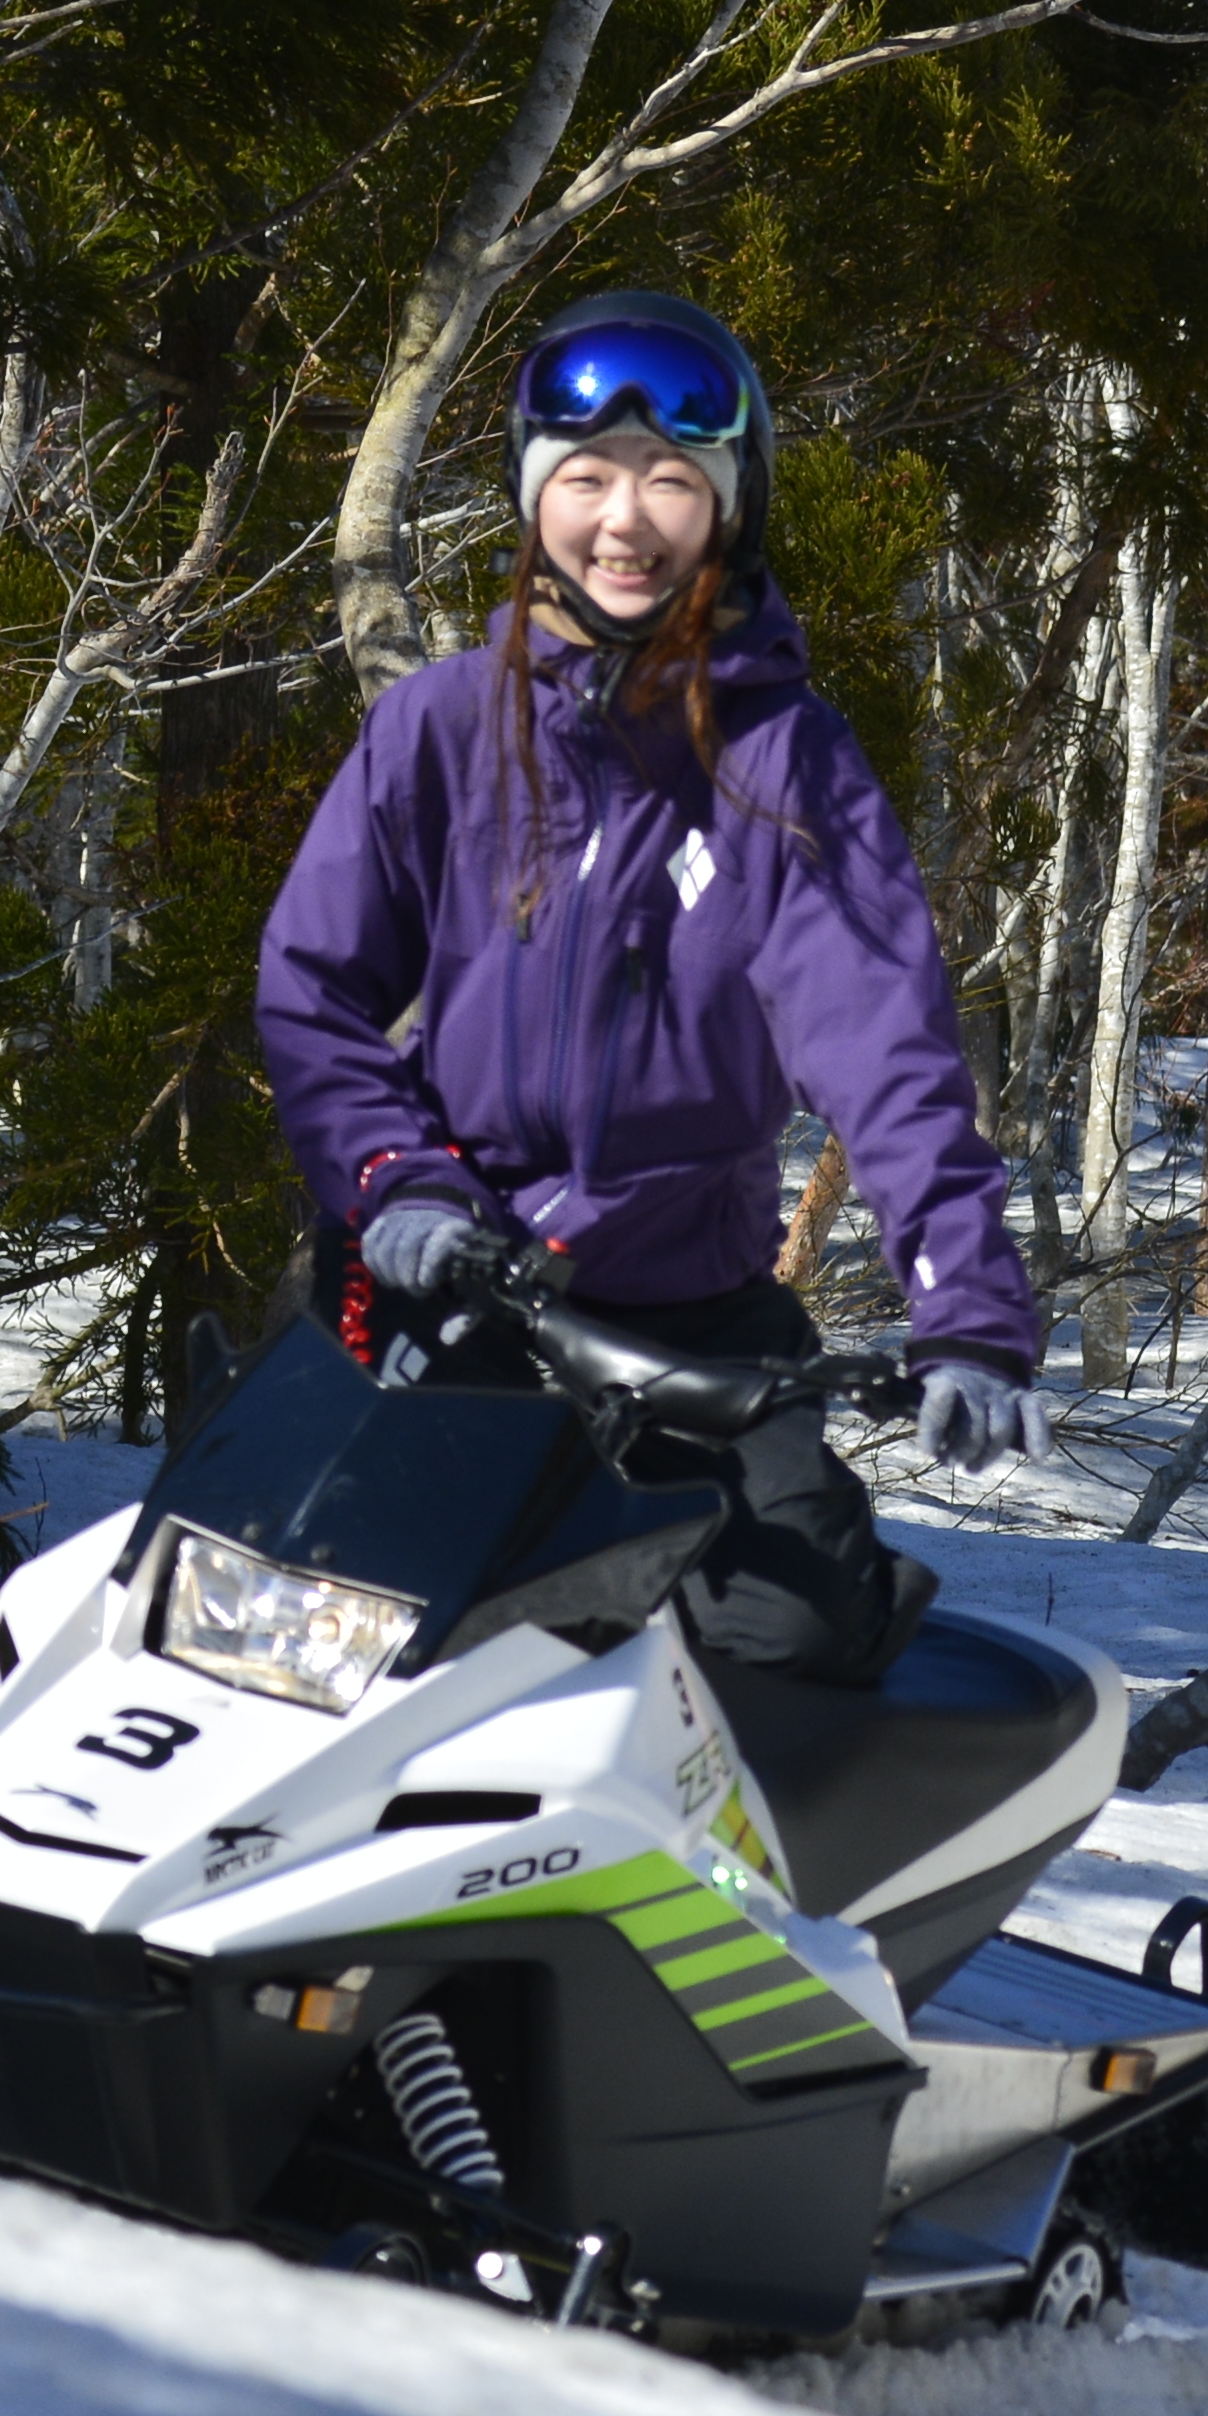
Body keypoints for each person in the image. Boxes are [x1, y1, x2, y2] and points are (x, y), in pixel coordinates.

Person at [255, 289, 1050, 1685]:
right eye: (586, 479)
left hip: (687, 1322)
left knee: (789, 1641)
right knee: (341, 1635)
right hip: (445, 1281)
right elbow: (312, 992)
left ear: (729, 509)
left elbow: (886, 1053)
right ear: (533, 497)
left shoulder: (785, 766)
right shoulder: (441, 728)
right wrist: (398, 1180)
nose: (625, 521)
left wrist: (970, 1317)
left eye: (673, 480)